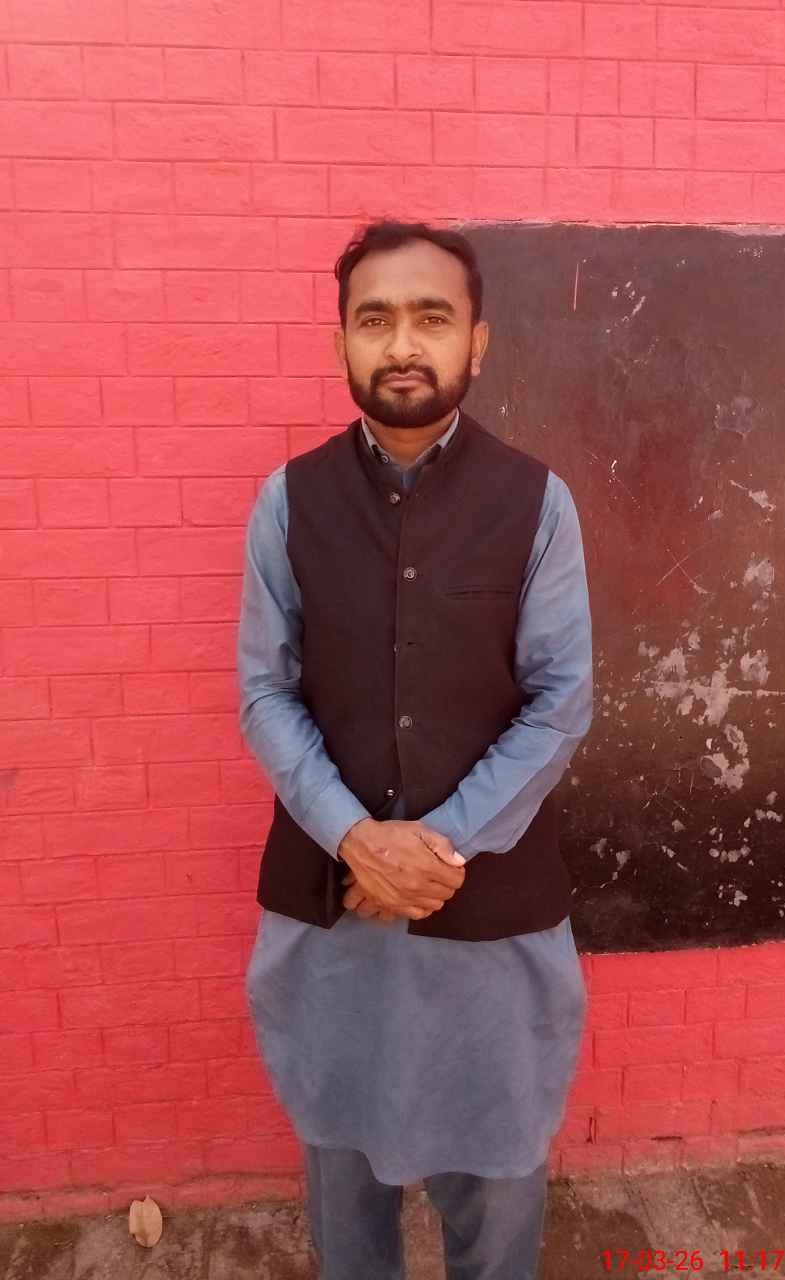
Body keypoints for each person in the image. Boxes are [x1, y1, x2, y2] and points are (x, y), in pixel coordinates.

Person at [238, 218, 593, 1280]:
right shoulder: (288, 501)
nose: (402, 344)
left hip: (489, 911)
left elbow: (560, 700)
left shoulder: (537, 502)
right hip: (333, 905)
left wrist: (431, 848)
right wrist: (357, 838)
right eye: (374, 318)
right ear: (341, 340)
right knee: (342, 1172)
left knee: (499, 1178)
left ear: (476, 342)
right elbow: (264, 690)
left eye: (431, 318)